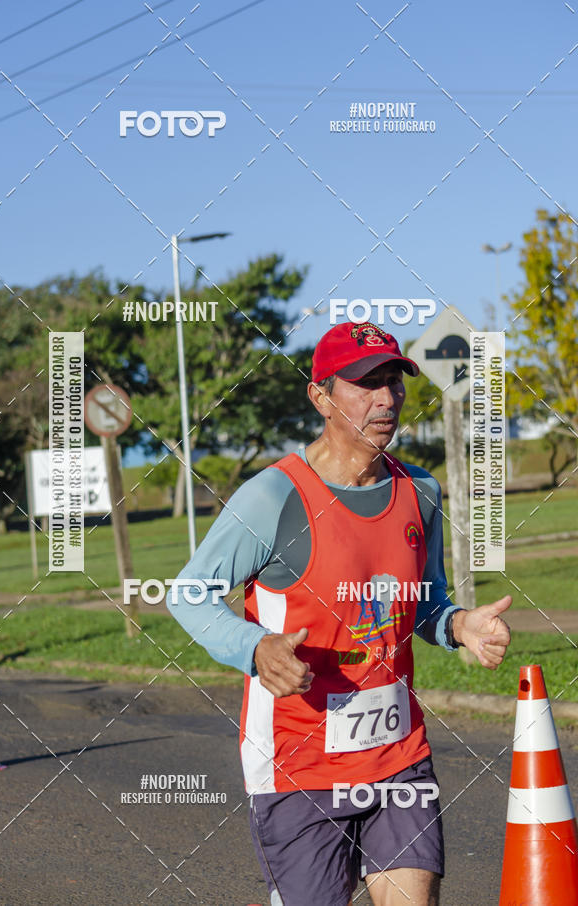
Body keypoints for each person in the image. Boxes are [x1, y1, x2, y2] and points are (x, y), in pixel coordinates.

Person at [167, 320, 512, 906]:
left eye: (393, 382)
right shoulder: (274, 496)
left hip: (398, 753)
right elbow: (188, 594)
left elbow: (421, 599)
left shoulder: (420, 491)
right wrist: (254, 647)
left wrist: (456, 625)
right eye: (364, 383)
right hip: (300, 759)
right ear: (321, 396)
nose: (386, 398)